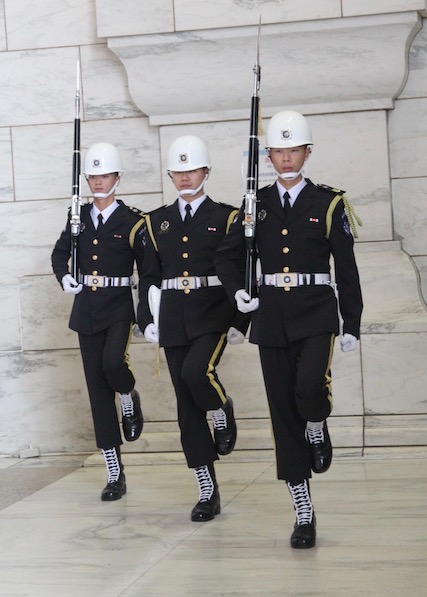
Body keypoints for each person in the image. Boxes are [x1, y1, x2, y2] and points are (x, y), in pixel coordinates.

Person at [215, 111, 363, 548]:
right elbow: (227, 257)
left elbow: (347, 269)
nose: (285, 158)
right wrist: (239, 294)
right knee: (282, 411)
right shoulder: (253, 203)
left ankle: (317, 423)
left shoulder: (329, 203)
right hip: (272, 314)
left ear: (307, 152)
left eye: (293, 149)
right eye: (277, 151)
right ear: (269, 156)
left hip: (317, 311)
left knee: (310, 386)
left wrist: (351, 321)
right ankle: (303, 509)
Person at [138, 135, 248, 522]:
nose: (185, 177)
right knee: (185, 405)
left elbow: (241, 271)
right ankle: (206, 488)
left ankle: (220, 408)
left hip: (213, 310)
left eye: (192, 169)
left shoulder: (228, 217)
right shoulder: (154, 222)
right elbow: (148, 276)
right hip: (173, 316)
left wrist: (240, 319)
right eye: (178, 171)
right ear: (170, 174)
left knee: (196, 372)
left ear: (206, 172)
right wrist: (146, 319)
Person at [51, 142, 145, 502]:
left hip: (119, 306)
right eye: (92, 176)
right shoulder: (77, 217)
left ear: (117, 178)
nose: (98, 182)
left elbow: (148, 268)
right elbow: (61, 252)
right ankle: (114, 471)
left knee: (112, 364)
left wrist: (149, 311)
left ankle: (127, 393)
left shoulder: (132, 220)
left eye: (104, 175)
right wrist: (65, 277)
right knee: (95, 392)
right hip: (87, 308)